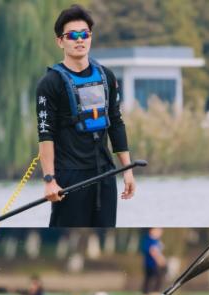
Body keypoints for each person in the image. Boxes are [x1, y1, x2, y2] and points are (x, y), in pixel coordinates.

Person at [36, 5, 136, 227]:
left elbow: (116, 122)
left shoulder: (106, 76)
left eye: (85, 34)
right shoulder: (49, 83)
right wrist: (50, 180)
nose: (79, 40)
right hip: (70, 178)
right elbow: (45, 134)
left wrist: (127, 170)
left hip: (104, 175)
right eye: (72, 35)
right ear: (60, 41)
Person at [141, 228, 167, 294]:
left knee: (151, 278)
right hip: (153, 264)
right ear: (152, 231)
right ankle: (153, 292)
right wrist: (160, 260)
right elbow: (153, 251)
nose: (160, 233)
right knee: (154, 278)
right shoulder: (150, 240)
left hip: (152, 263)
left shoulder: (155, 240)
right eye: (158, 231)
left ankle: (150, 292)